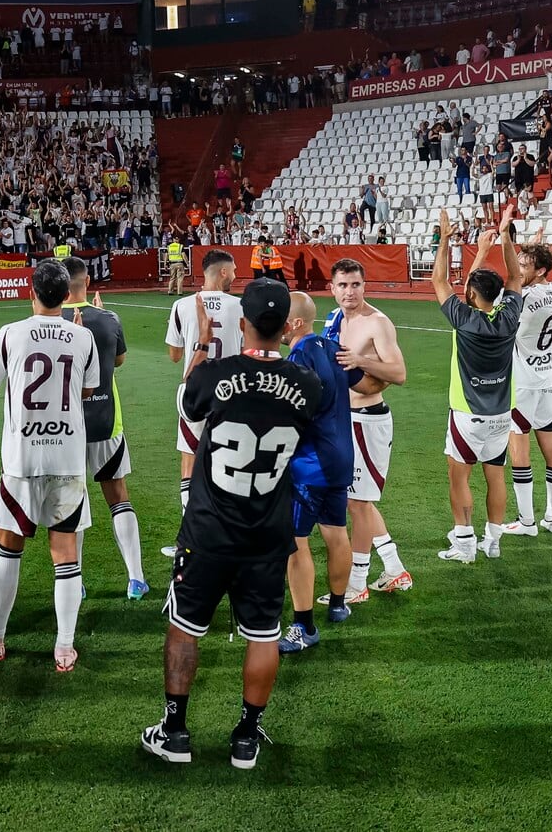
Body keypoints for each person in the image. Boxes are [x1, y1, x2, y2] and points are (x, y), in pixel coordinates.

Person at [140, 279, 321, 770]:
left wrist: (201, 342)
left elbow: (190, 405)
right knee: (263, 635)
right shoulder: (309, 385)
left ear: (242, 323)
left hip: (208, 528)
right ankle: (245, 736)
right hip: (267, 532)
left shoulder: (216, 375)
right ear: (286, 328)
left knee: (185, 627)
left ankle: (175, 731)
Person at [0, 261, 100, 671]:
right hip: (67, 456)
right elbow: (89, 388)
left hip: (22, 459)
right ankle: (64, 648)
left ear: (31, 291)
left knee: (8, 550)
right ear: (67, 294)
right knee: (65, 554)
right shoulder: (83, 336)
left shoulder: (10, 334)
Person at [431, 210, 523, 564]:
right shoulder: (509, 315)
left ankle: (465, 544)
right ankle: (493, 540)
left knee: (459, 478)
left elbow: (440, 281)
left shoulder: (464, 320)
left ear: (470, 294)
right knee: (495, 475)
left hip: (468, 414)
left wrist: (445, 238)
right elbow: (514, 275)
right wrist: (502, 237)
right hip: (502, 412)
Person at [322, 258, 411, 601]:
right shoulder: (336, 320)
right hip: (344, 419)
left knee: (357, 504)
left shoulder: (378, 323)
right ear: (333, 289)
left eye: (355, 284)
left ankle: (356, 584)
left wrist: (361, 362)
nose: (349, 292)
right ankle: (393, 568)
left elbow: (399, 373)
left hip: (368, 421)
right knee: (359, 501)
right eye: (343, 285)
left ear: (364, 285)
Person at [61, 258, 147, 600]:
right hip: (106, 419)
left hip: (66, 425)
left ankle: (76, 583)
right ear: (88, 280)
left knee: (72, 503)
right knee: (119, 498)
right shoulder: (109, 318)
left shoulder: (51, 321)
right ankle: (136, 579)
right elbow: (119, 360)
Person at [276, 291, 355, 654]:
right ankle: (338, 605)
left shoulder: (300, 354)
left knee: (296, 542)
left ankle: (303, 626)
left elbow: (294, 412)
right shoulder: (332, 346)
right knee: (337, 531)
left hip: (312, 462)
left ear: (294, 324)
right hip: (341, 456)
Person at [163, 249, 244, 556]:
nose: (235, 275)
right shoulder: (240, 306)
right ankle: (230, 532)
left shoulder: (182, 304)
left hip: (195, 392)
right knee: (230, 461)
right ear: (222, 272)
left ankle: (190, 539)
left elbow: (173, 356)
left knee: (189, 461)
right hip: (231, 392)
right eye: (233, 270)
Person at [490, 243, 552, 537]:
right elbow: (528, 276)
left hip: (522, 381)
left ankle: (526, 522)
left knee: (519, 449)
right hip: (549, 377)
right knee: (551, 447)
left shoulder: (520, 298)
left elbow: (500, 292)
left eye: (525, 266)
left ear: (540, 270)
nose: (518, 270)